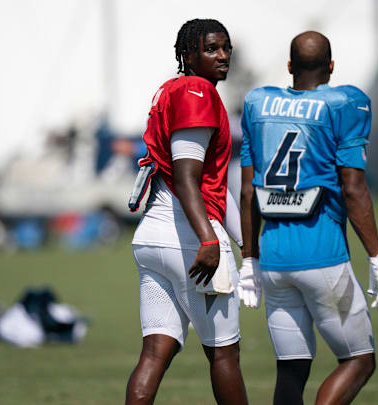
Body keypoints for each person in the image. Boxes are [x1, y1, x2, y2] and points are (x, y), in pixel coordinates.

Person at [239, 31, 378, 405]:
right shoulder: (344, 103)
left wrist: (248, 259)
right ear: (332, 66)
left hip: (273, 259)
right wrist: (376, 256)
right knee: (358, 360)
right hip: (322, 254)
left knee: (291, 370)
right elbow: (354, 188)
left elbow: (246, 192)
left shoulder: (259, 104)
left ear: (289, 66)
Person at [125, 19, 258, 405]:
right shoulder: (196, 90)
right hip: (188, 239)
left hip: (154, 238)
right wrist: (208, 237)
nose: (222, 56)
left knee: (154, 353)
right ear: (188, 54)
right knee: (224, 354)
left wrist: (250, 253)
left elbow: (214, 188)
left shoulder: (171, 90)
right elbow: (187, 177)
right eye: (211, 49)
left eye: (225, 47)